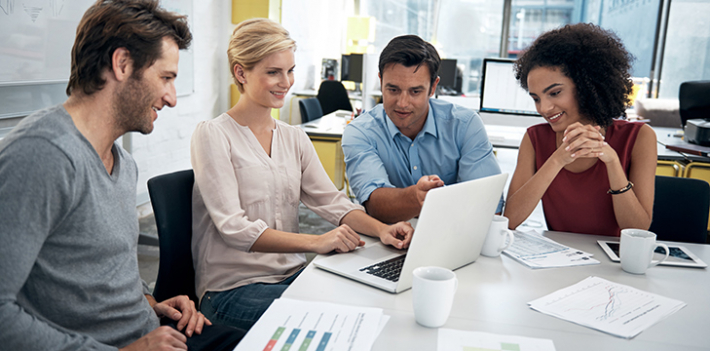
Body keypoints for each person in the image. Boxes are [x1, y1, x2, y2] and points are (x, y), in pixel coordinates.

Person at [0, 1, 245, 350]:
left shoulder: (123, 162)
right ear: (122, 64)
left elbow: (103, 271)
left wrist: (150, 303)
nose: (172, 98)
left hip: (153, 332)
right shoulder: (42, 155)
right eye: (165, 78)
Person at [190, 18, 414, 331]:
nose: (286, 82)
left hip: (292, 275)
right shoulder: (213, 135)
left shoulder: (293, 137)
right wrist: (316, 241)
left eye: (290, 70)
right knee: (331, 322)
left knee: (367, 302)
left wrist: (382, 230)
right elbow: (234, 229)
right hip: (233, 289)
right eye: (273, 72)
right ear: (241, 72)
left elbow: (332, 202)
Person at [505, 23, 657, 236]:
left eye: (555, 93)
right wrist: (557, 160)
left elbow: (637, 228)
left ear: (587, 86)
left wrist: (612, 162)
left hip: (614, 264)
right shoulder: (535, 138)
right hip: (562, 259)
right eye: (536, 98)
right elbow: (509, 220)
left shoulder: (639, 137)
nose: (544, 108)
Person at [342, 35, 503, 224]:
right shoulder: (360, 132)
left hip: (454, 235)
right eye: (393, 90)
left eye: (415, 92)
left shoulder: (465, 125)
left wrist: (419, 203)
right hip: (386, 240)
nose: (402, 103)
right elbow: (375, 205)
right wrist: (417, 197)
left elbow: (488, 205)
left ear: (433, 86)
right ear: (380, 81)